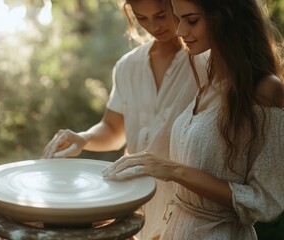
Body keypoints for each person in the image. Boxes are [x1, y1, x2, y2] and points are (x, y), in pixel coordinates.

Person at [103, 0, 284, 239]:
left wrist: (172, 170)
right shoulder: (210, 77)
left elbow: (263, 200)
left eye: (192, 20)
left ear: (226, 16)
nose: (179, 31)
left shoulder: (266, 90)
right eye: (179, 19)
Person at [42, 0, 208, 239]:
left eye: (161, 15)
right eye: (142, 18)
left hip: (187, 209)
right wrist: (84, 138)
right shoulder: (128, 66)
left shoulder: (205, 62)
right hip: (134, 203)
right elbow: (113, 129)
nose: (153, 26)